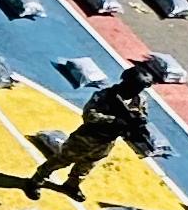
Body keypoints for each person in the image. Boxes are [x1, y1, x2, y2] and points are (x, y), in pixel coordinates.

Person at [27, 60, 161, 199]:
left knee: (87, 165)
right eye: (136, 87)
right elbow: (89, 115)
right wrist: (113, 120)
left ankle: (72, 184)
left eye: (140, 88)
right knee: (62, 159)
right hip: (86, 137)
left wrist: (138, 123)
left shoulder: (140, 100)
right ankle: (37, 179)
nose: (137, 91)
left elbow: (141, 115)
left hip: (107, 141)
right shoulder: (105, 95)